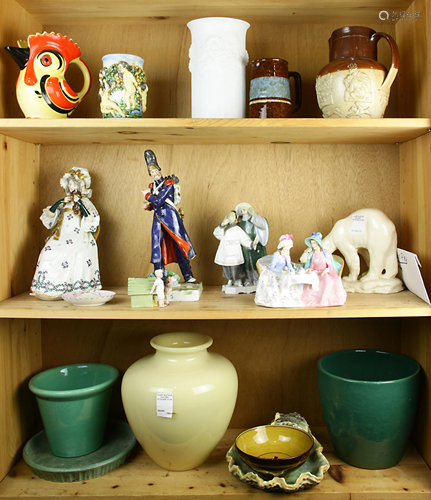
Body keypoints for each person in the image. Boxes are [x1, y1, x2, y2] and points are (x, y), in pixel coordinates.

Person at [30, 167, 101, 300]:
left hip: (79, 236)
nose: (70, 186)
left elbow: (91, 220)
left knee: (73, 253)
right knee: (48, 252)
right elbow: (50, 215)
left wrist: (80, 204)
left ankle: (75, 288)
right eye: (69, 183)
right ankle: (49, 287)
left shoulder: (85, 202)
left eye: (73, 184)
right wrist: (59, 202)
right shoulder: (65, 201)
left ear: (80, 186)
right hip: (62, 235)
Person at [142, 150, 196, 283]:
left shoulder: (168, 184)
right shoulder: (152, 186)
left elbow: (160, 201)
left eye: (156, 171)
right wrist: (149, 205)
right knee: (156, 248)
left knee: (179, 244)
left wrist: (147, 196)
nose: (154, 174)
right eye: (152, 172)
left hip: (170, 219)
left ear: (159, 171)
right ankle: (160, 277)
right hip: (158, 220)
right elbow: (155, 205)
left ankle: (188, 276)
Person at [213, 210, 258, 287]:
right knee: (227, 268)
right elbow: (216, 233)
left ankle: (238, 280)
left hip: (234, 252)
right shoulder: (224, 228)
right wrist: (222, 225)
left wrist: (252, 244)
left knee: (236, 267)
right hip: (226, 252)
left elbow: (243, 239)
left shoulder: (237, 229)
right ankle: (230, 280)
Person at [302, 232, 346, 307]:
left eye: (315, 243)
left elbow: (330, 266)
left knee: (326, 280)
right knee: (310, 281)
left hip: (326, 272)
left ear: (319, 243)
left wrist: (326, 271)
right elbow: (312, 266)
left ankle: (324, 299)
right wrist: (310, 270)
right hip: (316, 273)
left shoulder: (326, 253)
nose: (313, 245)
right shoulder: (313, 254)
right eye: (312, 243)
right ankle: (312, 299)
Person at [235, 202, 269, 285]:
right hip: (245, 247)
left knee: (256, 262)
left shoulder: (255, 219)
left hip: (257, 246)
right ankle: (248, 279)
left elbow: (263, 225)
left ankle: (258, 278)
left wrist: (253, 214)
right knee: (246, 263)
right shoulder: (239, 224)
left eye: (245, 209)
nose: (243, 211)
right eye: (241, 210)